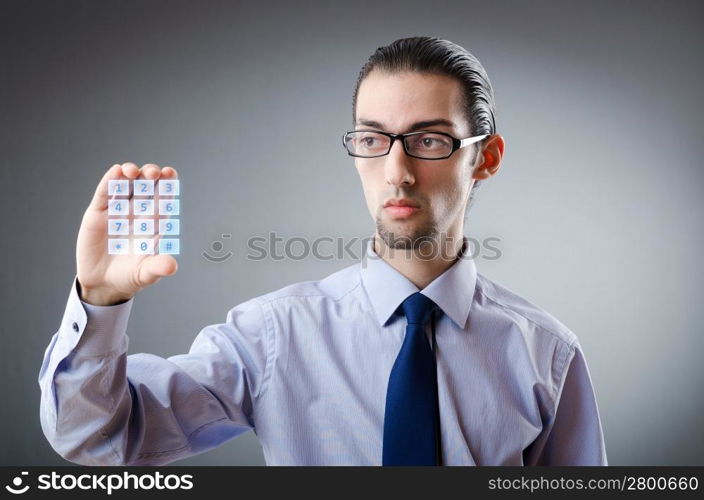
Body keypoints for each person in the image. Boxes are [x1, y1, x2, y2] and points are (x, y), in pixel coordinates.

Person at [38, 36, 607, 466]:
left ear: (485, 157)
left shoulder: (546, 356)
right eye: (373, 139)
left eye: (429, 140)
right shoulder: (271, 336)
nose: (397, 172)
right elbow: (95, 439)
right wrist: (102, 300)